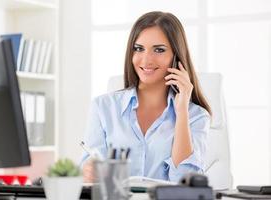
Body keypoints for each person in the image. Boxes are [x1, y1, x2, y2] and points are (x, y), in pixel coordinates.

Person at [81, 11, 212, 183]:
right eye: (139, 49)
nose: (146, 60)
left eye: (159, 50)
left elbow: (184, 183)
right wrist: (89, 171)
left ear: (176, 56)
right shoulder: (103, 107)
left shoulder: (196, 116)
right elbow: (89, 175)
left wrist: (181, 112)